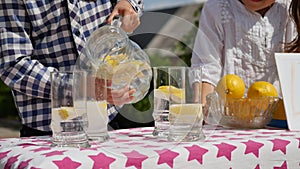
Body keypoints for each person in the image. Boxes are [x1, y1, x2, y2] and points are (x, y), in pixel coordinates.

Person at [0, 0, 143, 137]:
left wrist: (129, 4)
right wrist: (82, 87)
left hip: (109, 120)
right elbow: (13, 66)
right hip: (50, 131)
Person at [191, 0, 295, 105]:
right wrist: (201, 109)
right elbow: (206, 65)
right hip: (227, 115)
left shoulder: (290, 8)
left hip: (281, 116)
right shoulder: (218, 7)